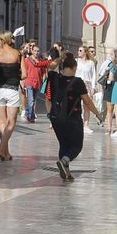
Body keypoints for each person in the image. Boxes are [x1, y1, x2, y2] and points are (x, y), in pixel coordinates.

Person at [46, 52, 98, 182]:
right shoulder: (78, 82)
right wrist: (97, 114)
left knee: (63, 145)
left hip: (56, 118)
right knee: (76, 146)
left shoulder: (54, 77)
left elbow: (49, 67)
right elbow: (87, 101)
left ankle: (67, 172)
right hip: (73, 118)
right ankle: (64, 161)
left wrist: (59, 58)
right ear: (74, 68)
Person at [0, 31, 24, 160]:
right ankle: (1, 149)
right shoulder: (18, 54)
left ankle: (6, 152)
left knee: (2, 121)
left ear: (1, 40)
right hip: (12, 89)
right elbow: (25, 75)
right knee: (12, 122)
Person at [21, 40, 52, 124]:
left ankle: (28, 113)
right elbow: (24, 71)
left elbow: (43, 73)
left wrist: (43, 81)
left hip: (37, 83)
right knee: (30, 100)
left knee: (33, 100)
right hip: (29, 81)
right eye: (35, 51)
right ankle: (31, 116)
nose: (36, 52)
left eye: (38, 51)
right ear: (32, 51)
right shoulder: (27, 60)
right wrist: (23, 82)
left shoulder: (41, 61)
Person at [77, 45, 100, 134]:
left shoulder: (91, 63)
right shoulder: (76, 61)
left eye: (80, 50)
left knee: (87, 106)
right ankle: (77, 124)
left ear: (85, 52)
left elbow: (93, 75)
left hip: (87, 85)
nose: (78, 52)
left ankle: (86, 125)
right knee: (76, 105)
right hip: (77, 84)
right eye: (78, 50)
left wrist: (93, 87)